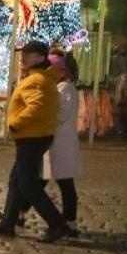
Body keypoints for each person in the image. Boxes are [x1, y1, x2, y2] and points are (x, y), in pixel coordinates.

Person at [0, 40, 76, 243]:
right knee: (16, 181)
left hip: (31, 137)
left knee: (28, 186)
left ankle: (57, 224)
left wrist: (15, 124)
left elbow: (35, 106)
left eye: (27, 54)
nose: (23, 57)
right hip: (34, 137)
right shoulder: (41, 77)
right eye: (23, 54)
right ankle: (8, 223)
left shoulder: (38, 79)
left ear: (39, 57)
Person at [20, 52, 82, 227]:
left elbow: (61, 114)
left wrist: (43, 116)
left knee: (63, 183)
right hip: (54, 143)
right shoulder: (61, 88)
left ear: (61, 71)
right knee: (40, 181)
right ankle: (20, 211)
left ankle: (69, 220)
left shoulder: (65, 90)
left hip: (60, 144)